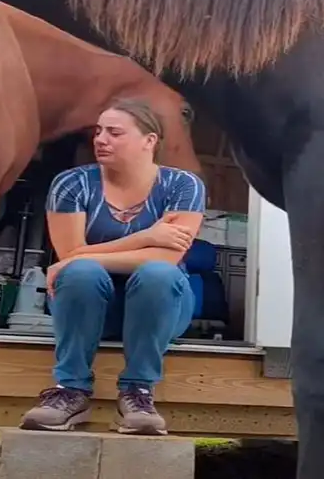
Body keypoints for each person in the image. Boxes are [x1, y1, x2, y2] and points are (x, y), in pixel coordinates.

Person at [20, 98, 206, 436]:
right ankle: (70, 390)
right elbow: (71, 258)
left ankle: (138, 392)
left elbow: (165, 259)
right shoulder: (72, 184)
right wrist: (146, 237)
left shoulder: (182, 186)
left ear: (149, 141)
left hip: (160, 308)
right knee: (80, 273)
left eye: (115, 132)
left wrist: (82, 255)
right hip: (89, 307)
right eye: (99, 131)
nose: (101, 139)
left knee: (158, 274)